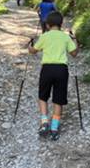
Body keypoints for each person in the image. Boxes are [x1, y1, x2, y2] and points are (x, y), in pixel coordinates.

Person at [28, 11, 78, 141]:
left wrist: (30, 46)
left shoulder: (45, 36)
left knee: (43, 96)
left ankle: (44, 122)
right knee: (58, 99)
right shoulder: (65, 37)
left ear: (48, 25)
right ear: (61, 24)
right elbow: (74, 53)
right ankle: (54, 127)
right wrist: (75, 40)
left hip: (47, 69)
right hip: (61, 70)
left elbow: (33, 51)